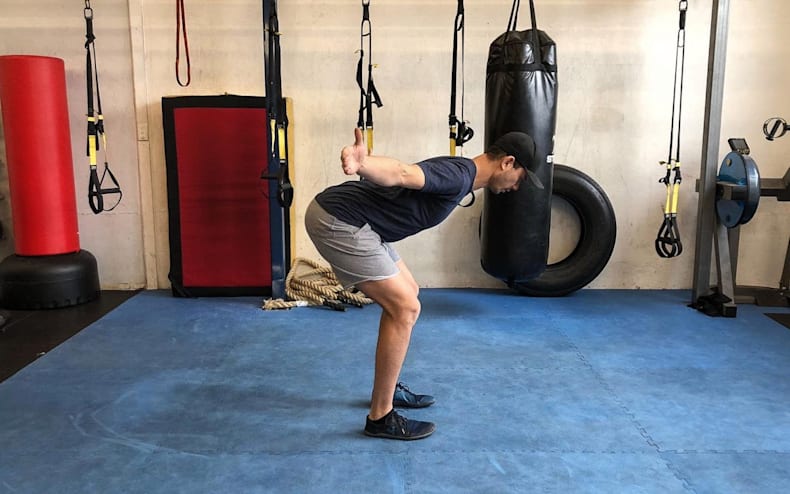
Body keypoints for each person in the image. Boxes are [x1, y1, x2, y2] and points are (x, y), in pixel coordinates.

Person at [305, 128, 543, 440]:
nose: (517, 186)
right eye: (521, 178)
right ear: (508, 163)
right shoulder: (458, 176)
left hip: (363, 222)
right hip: (339, 220)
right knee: (405, 309)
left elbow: (406, 175)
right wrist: (363, 164)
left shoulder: (462, 173)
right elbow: (402, 172)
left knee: (410, 291)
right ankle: (381, 416)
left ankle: (389, 387)